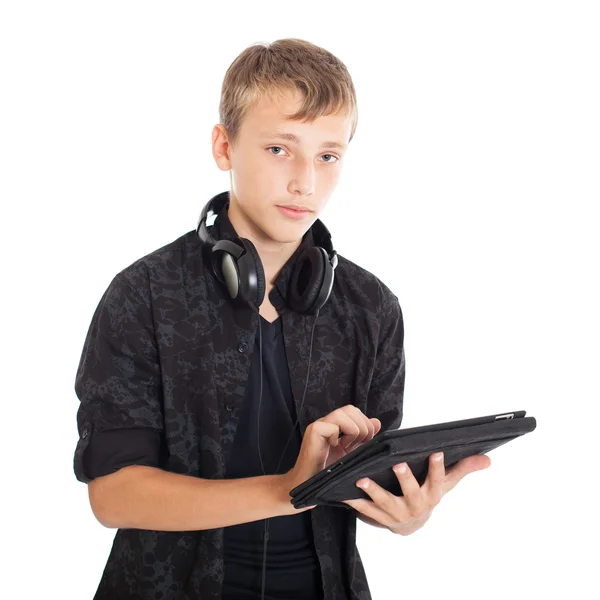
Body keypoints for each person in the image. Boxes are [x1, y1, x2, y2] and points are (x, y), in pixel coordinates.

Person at [73, 37, 490, 600]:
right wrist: (288, 489)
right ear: (224, 146)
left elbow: (368, 479)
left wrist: (402, 512)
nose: (306, 182)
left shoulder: (372, 308)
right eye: (279, 149)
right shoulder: (143, 295)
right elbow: (114, 495)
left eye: (327, 155)